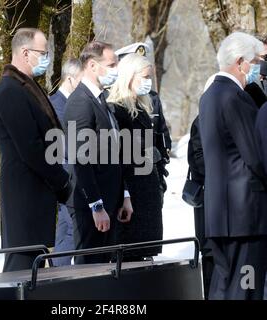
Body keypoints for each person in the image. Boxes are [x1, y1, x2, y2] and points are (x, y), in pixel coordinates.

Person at [0, 28, 72, 272]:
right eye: (43, 53)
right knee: (22, 270)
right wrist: (62, 182)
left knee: (35, 270)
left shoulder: (26, 87)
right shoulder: (10, 91)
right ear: (25, 53)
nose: (46, 58)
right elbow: (31, 148)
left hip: (36, 194)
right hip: (23, 196)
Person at [199, 31, 267, 300]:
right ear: (241, 62)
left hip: (221, 215)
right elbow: (256, 156)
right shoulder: (234, 97)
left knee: (224, 286)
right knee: (246, 287)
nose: (260, 67)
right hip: (244, 216)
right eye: (257, 60)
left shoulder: (210, 94)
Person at [63, 41, 133, 264]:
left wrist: (123, 195)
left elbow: (114, 154)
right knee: (90, 274)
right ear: (92, 66)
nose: (116, 70)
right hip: (91, 206)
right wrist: (97, 205)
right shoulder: (80, 103)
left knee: (105, 272)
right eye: (111, 64)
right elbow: (81, 159)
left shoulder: (101, 100)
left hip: (110, 201)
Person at [107, 53, 163, 261]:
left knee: (145, 254)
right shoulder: (117, 109)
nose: (148, 82)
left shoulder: (142, 107)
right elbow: (120, 158)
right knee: (130, 254)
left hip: (147, 191)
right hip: (131, 193)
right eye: (144, 77)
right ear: (129, 77)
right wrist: (126, 194)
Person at [115, 42, 171, 203]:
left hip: (152, 172)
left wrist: (160, 168)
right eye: (143, 76)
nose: (147, 80)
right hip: (130, 181)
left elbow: (160, 132)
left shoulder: (151, 98)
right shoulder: (115, 104)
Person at [50, 58, 83, 267]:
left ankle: (54, 273)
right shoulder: (57, 106)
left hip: (69, 177)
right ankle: (57, 277)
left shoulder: (67, 103)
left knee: (65, 230)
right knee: (73, 229)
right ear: (70, 79)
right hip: (67, 178)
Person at [187, 115, 214, 299]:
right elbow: (196, 157)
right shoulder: (201, 120)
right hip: (206, 195)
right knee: (209, 252)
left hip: (213, 194)